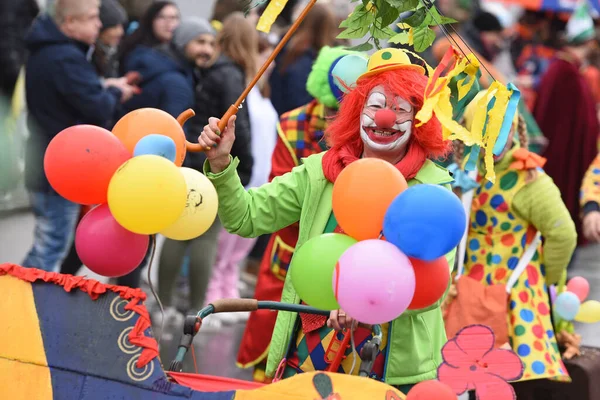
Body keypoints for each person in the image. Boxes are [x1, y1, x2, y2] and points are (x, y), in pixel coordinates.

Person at [198, 48, 455, 393]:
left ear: (420, 120)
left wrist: (365, 302)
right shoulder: (322, 171)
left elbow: (431, 289)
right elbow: (245, 217)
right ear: (357, 111)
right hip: (309, 348)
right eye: (376, 106)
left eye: (400, 109)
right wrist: (220, 163)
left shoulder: (432, 191)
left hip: (388, 363)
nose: (384, 119)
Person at [236, 45, 358, 382]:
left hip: (339, 256)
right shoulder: (293, 123)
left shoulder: (366, 131)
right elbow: (271, 202)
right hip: (293, 248)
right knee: (275, 332)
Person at [449, 95, 576, 384]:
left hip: (515, 294)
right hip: (471, 290)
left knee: (509, 378)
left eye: (500, 129)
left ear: (514, 127)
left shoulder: (530, 180)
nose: (494, 140)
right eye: (484, 131)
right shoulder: (466, 175)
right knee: (467, 377)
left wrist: (545, 279)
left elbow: (563, 234)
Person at [22, 0, 135, 272]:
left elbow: (72, 96)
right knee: (49, 249)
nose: (99, 24)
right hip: (60, 169)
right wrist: (115, 93)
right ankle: (16, 305)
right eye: (92, 18)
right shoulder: (65, 57)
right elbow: (99, 108)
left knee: (49, 244)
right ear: (70, 22)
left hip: (46, 161)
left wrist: (103, 86)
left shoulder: (52, 51)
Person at [156, 12, 252, 329]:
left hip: (189, 160)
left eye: (212, 42)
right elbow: (239, 127)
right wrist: (246, 166)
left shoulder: (207, 72)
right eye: (202, 41)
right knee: (206, 235)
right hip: (207, 162)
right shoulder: (232, 76)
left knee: (179, 230)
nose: (208, 48)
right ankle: (197, 311)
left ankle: (164, 304)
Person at [533, 3, 600, 247]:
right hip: (562, 158)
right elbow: (557, 124)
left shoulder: (568, 69)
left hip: (573, 154)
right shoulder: (564, 72)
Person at [119, 15, 214, 118]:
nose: (208, 50)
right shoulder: (176, 82)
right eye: (200, 42)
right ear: (182, 42)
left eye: (212, 44)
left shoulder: (169, 66)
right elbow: (174, 129)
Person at [269, 3, 338, 116]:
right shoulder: (308, 62)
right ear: (325, 30)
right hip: (292, 125)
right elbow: (299, 104)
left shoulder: (285, 48)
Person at [118, 1, 180, 73]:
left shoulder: (180, 50)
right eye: (161, 17)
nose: (168, 23)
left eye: (173, 18)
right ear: (151, 21)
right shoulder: (138, 54)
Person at [92, 0, 128, 78]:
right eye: (115, 27)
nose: (120, 32)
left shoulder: (114, 52)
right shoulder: (89, 55)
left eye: (121, 26)